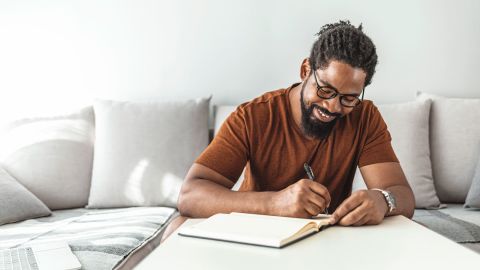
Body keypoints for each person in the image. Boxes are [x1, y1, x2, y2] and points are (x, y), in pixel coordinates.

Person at [163, 20, 415, 241]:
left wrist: (384, 200)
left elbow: (402, 194)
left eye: (349, 98)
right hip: (254, 233)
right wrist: (276, 203)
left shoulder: (365, 117)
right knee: (175, 228)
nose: (333, 106)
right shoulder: (253, 116)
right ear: (306, 70)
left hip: (329, 239)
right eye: (325, 90)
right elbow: (190, 195)